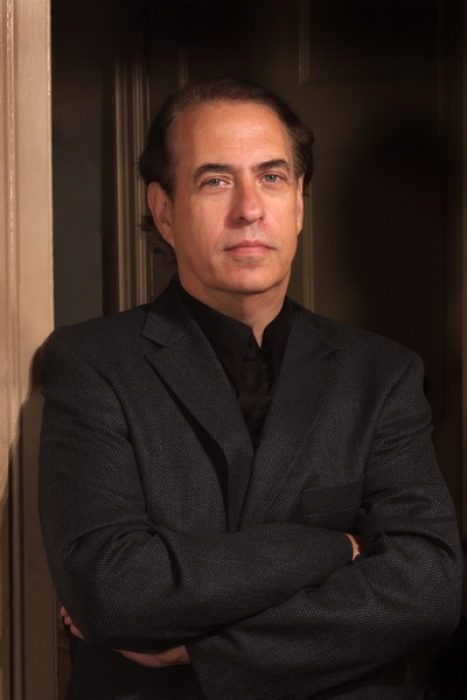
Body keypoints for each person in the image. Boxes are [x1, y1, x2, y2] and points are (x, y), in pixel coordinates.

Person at [39, 75, 462, 700]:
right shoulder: (92, 363)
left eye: (272, 177)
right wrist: (334, 548)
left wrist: (207, 653)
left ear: (299, 203)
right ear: (164, 210)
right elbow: (113, 591)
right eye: (215, 181)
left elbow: (428, 588)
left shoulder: (383, 375)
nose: (249, 209)